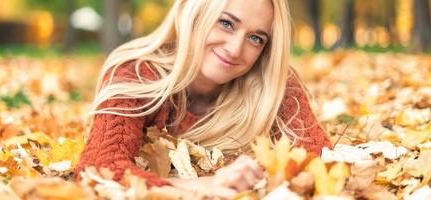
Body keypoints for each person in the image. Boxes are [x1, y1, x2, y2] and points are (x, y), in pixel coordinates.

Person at [74, 0, 330, 196]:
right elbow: (99, 170)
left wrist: (251, 180)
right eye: (226, 23)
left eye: (255, 38)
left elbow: (318, 158)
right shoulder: (136, 73)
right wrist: (202, 187)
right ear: (195, 13)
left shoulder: (272, 82)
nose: (234, 49)